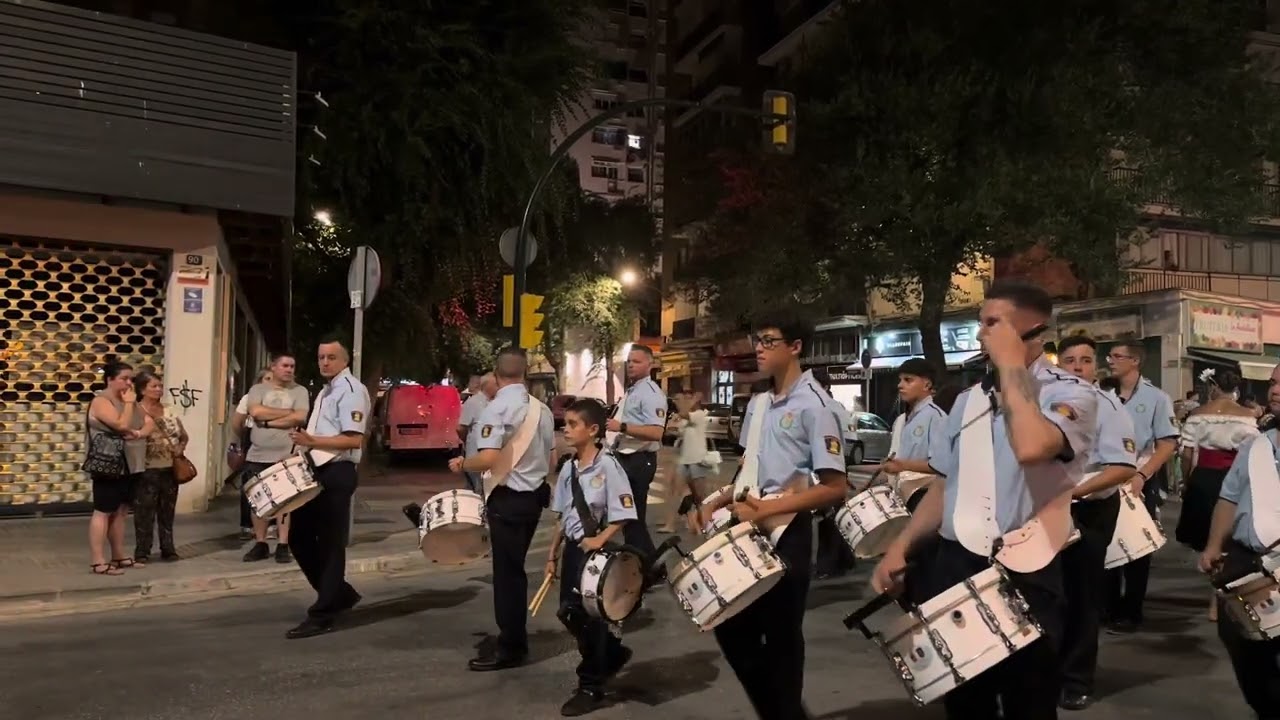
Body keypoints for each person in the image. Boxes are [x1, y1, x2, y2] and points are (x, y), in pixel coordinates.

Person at [873, 279, 1098, 719]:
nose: (980, 335)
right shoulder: (969, 400)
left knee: (1027, 700)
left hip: (1028, 566)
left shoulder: (1070, 394)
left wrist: (1014, 367)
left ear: (1031, 330)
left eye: (992, 324)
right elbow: (946, 484)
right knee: (964, 699)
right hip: (957, 561)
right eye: (982, 323)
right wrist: (901, 545)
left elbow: (1033, 447)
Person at [683, 314, 848, 720]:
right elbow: (748, 469)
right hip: (746, 531)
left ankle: (785, 711)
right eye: (757, 340)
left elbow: (834, 486)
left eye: (769, 341)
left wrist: (769, 508)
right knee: (729, 627)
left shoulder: (818, 407)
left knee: (781, 640)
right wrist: (716, 500)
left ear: (795, 347)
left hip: (787, 533)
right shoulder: (758, 404)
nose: (758, 348)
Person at [451, 347, 556, 671]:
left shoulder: (495, 410)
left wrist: (461, 463)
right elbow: (551, 460)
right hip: (534, 498)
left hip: (508, 499)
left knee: (508, 576)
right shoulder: (543, 411)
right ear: (523, 373)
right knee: (516, 570)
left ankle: (511, 646)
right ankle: (513, 638)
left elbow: (488, 459)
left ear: (496, 375)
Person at [1054, 336, 1139, 710]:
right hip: (1048, 507)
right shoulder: (1051, 403)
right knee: (1046, 595)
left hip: (1089, 511)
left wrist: (1071, 494)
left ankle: (1076, 680)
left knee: (1082, 598)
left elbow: (1122, 467)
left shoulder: (1108, 408)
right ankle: (1046, 673)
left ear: (1095, 367)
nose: (1076, 367)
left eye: (1085, 360)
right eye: (1069, 360)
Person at [543, 398, 636, 716]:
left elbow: (623, 512)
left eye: (572, 424)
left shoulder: (608, 466)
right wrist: (552, 556)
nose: (565, 430)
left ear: (593, 430)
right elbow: (562, 515)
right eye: (565, 424)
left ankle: (591, 685)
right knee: (569, 613)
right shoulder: (568, 467)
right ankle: (612, 653)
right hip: (573, 551)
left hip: (597, 555)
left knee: (592, 618)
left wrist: (600, 538)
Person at [281, 340, 371, 639]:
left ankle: (323, 613)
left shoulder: (351, 390)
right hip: (316, 470)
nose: (324, 362)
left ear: (344, 360)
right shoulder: (326, 389)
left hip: (337, 471)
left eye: (331, 357)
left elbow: (352, 439)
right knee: (298, 537)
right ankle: (337, 594)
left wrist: (312, 442)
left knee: (331, 543)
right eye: (320, 357)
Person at [1198, 394, 1280, 719]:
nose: (1275, 390)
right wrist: (1214, 545)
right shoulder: (1256, 445)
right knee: (1243, 646)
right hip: (1245, 560)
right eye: (1274, 382)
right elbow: (1229, 497)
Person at [1102, 339, 1179, 634]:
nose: (1110, 361)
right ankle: (1107, 606)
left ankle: (1131, 610)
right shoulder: (1102, 393)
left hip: (1138, 481)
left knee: (1136, 549)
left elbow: (1167, 443)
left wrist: (1143, 475)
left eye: (1117, 356)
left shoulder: (1157, 398)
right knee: (1105, 545)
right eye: (1110, 355)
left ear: (1135, 361)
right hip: (1104, 479)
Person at [1174, 368, 1258, 622]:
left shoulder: (1198, 415)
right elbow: (1253, 452)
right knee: (1227, 539)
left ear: (1212, 386)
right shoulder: (1247, 416)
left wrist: (1187, 480)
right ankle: (1216, 600)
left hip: (1203, 477)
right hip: (1234, 478)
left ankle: (1215, 590)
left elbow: (1187, 453)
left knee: (1207, 538)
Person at [85, 358, 154, 575]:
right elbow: (121, 424)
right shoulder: (101, 401)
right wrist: (129, 405)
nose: (128, 384)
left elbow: (149, 421)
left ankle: (119, 555)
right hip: (108, 463)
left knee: (121, 511)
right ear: (110, 380)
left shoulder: (129, 401)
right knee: (103, 510)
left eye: (130, 379)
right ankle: (98, 561)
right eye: (123, 379)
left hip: (130, 463)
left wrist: (139, 433)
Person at [242, 354, 310, 564]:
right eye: (285, 365)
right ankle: (260, 542)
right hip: (258, 453)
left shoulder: (299, 391)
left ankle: (283, 543)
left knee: (285, 502)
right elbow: (255, 412)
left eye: (292, 366)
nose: (289, 369)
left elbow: (300, 417)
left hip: (285, 454)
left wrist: (268, 421)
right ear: (273, 367)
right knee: (258, 500)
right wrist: (286, 413)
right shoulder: (258, 390)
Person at [605, 345, 666, 556]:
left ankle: (650, 565)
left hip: (639, 461)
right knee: (628, 516)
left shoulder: (651, 394)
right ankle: (641, 564)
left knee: (632, 516)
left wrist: (621, 427)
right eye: (629, 361)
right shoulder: (633, 390)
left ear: (650, 364)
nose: (631, 365)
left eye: (637, 361)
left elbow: (657, 432)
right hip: (625, 457)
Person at [133, 369, 189, 563]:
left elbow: (183, 435)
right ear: (142, 389)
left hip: (169, 467)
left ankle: (168, 548)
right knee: (144, 512)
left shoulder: (169, 409)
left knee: (167, 511)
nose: (158, 390)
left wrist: (180, 448)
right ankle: (142, 551)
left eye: (160, 386)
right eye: (153, 386)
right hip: (146, 468)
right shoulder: (135, 410)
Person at [876, 358, 946, 513]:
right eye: (900, 380)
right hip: (901, 500)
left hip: (925, 501)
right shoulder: (901, 420)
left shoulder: (936, 417)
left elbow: (942, 466)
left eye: (908, 380)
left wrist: (903, 465)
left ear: (927, 385)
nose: (900, 385)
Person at [811, 368, 857, 579]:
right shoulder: (818, 405)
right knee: (830, 516)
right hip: (821, 466)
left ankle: (828, 565)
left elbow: (843, 440)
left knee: (829, 517)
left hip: (830, 465)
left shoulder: (830, 407)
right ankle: (845, 559)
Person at [660, 389, 713, 534]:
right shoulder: (687, 417)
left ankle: (705, 522)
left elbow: (683, 416)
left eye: (689, 398)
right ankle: (670, 524)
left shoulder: (700, 414)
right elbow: (673, 428)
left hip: (697, 460)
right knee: (674, 493)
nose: (684, 401)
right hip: (684, 461)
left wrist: (688, 404)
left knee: (700, 496)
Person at [457, 373, 498, 495]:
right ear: (487, 386)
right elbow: (460, 428)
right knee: (477, 492)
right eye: (496, 384)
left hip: (492, 460)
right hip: (476, 458)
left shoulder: (499, 403)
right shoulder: (473, 402)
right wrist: (467, 442)